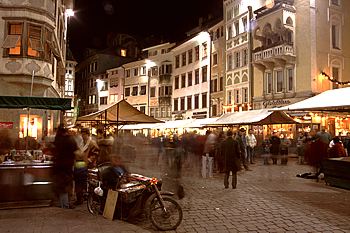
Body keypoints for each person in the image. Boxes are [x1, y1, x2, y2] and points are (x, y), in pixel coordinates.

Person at [53, 125, 78, 209]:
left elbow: (55, 150)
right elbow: (75, 150)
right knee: (67, 184)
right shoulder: (70, 139)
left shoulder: (57, 139)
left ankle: (62, 203)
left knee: (61, 184)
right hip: (68, 164)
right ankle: (67, 203)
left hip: (59, 165)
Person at [74, 128, 99, 205]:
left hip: (89, 167)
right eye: (82, 134)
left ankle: (84, 197)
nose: (82, 135)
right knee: (80, 182)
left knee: (85, 183)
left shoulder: (92, 143)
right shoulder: (82, 143)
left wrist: (89, 160)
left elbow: (95, 154)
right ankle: (80, 198)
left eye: (84, 134)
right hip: (81, 165)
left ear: (88, 134)